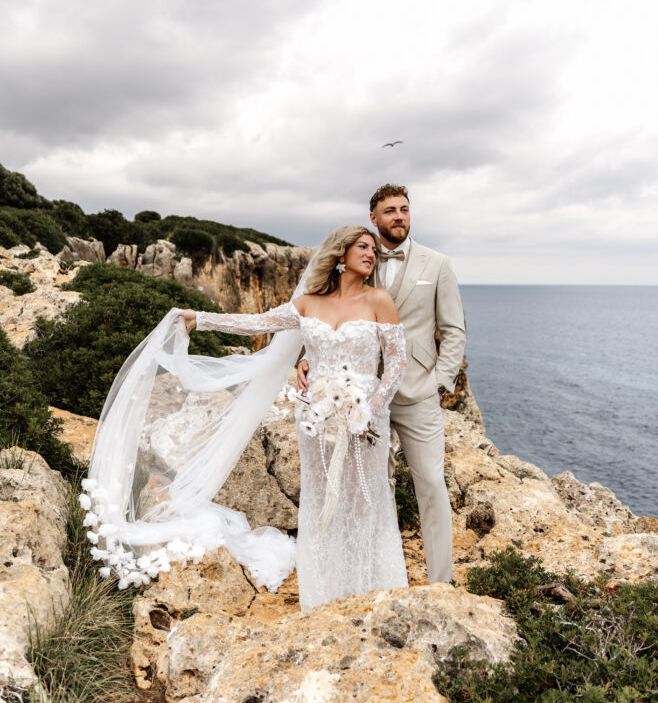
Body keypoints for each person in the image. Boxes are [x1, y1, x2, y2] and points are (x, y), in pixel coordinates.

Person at [82, 225, 408, 613]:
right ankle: (326, 597)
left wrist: (371, 409)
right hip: (315, 420)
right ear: (341, 255)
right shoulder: (308, 303)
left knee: (367, 501)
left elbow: (396, 362)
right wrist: (200, 319)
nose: (371, 254)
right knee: (321, 502)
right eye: (363, 247)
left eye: (374, 250)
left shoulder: (379, 300)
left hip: (365, 419)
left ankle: (376, 592)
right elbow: (257, 323)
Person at [298, 185, 466, 584]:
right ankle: (372, 577)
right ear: (374, 218)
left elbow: (453, 330)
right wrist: (307, 357)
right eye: (390, 211)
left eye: (404, 209)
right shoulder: (361, 258)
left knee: (430, 483)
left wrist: (438, 383)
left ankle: (441, 583)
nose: (399, 216)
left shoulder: (437, 264)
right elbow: (329, 315)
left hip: (416, 393)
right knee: (371, 488)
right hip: (356, 396)